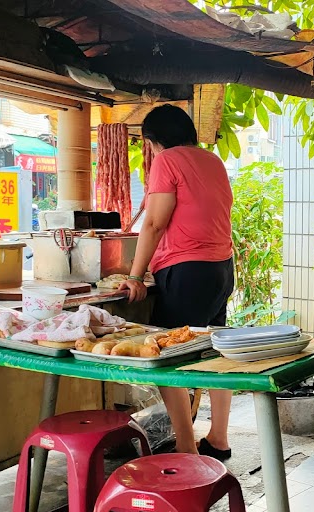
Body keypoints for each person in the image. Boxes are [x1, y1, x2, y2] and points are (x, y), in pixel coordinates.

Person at [122, 104, 235, 460]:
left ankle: (186, 447)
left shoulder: (167, 161)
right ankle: (218, 438)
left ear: (153, 141)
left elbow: (154, 222)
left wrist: (135, 275)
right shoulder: (212, 161)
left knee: (168, 358)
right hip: (221, 268)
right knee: (216, 352)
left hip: (187, 271)